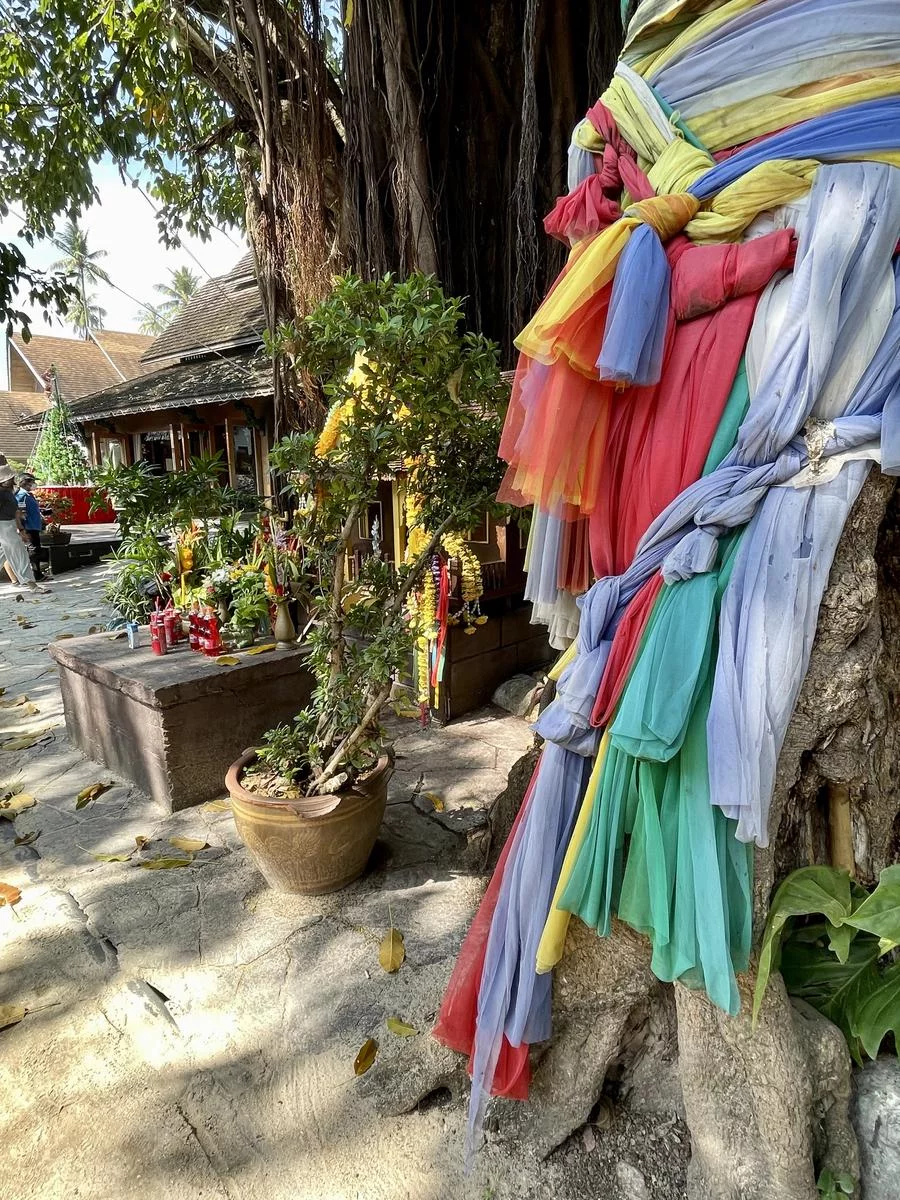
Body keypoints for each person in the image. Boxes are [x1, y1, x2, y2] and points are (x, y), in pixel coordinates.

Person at [0, 465, 49, 593]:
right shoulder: (1, 494)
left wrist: (21, 530)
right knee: (20, 554)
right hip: (4, 526)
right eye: (10, 478)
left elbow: (16, 512)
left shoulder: (9, 492)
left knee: (3, 554)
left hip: (9, 525)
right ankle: (32, 585)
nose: (13, 479)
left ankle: (31, 584)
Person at [15, 473, 47, 582]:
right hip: (29, 528)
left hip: (34, 526)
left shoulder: (28, 495)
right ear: (26, 483)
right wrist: (22, 529)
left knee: (36, 550)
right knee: (33, 551)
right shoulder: (21, 496)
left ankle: (38, 574)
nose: (34, 484)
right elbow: (20, 513)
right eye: (32, 481)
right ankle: (35, 575)